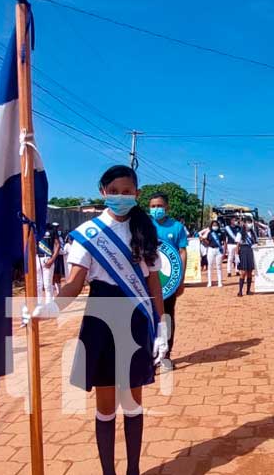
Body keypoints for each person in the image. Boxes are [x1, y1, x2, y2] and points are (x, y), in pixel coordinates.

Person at [27, 165, 168, 475]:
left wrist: (161, 327)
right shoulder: (89, 234)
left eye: (126, 191)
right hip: (100, 320)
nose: (120, 196)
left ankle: (133, 470)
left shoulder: (144, 230)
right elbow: (75, 283)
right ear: (103, 192)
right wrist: (51, 308)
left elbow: (154, 284)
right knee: (105, 406)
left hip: (135, 318)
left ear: (137, 193)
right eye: (113, 191)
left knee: (132, 401)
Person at [149, 192, 188, 371]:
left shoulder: (177, 227)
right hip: (147, 281)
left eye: (159, 206)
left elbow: (182, 253)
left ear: (167, 208)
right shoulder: (145, 225)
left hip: (168, 283)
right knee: (149, 319)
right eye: (153, 206)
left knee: (167, 317)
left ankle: (166, 356)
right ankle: (150, 356)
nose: (156, 209)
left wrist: (180, 280)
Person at [36, 223, 60, 304]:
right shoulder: (34, 227)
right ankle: (39, 305)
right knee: (38, 285)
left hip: (48, 258)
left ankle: (49, 306)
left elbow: (58, 244)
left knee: (47, 285)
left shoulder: (51, 229)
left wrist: (52, 259)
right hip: (36, 258)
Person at [236, 218, 257, 296]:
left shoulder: (253, 233)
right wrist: (237, 256)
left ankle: (248, 290)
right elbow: (237, 245)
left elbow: (256, 242)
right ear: (244, 224)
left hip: (251, 251)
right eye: (248, 222)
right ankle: (240, 291)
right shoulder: (240, 233)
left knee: (250, 272)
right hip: (243, 251)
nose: (249, 224)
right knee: (243, 272)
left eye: (250, 222)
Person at [202, 220, 225, 288]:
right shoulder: (210, 233)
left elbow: (224, 242)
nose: (215, 226)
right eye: (213, 225)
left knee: (219, 266)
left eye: (216, 225)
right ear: (211, 226)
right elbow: (208, 242)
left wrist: (224, 251)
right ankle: (209, 282)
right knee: (210, 266)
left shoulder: (221, 233)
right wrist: (203, 240)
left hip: (219, 250)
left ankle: (220, 282)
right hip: (211, 249)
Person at [52, 222, 66, 293]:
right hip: (54, 257)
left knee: (58, 274)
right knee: (53, 274)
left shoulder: (60, 237)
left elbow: (62, 246)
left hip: (60, 257)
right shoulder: (52, 236)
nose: (57, 229)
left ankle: (59, 290)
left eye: (57, 227)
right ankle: (52, 289)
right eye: (55, 227)